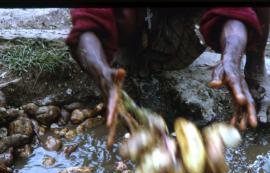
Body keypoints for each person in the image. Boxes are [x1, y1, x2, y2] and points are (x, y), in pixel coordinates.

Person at [66, 7, 270, 131]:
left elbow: (235, 11)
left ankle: (256, 64)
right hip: (135, 21)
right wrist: (101, 71)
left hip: (184, 18)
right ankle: (133, 49)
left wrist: (231, 58)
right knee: (124, 18)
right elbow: (87, 21)